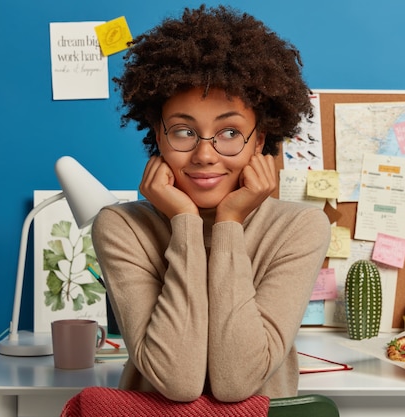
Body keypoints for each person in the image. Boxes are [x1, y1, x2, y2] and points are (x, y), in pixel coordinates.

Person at [92, 4, 331, 404]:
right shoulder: (122, 227)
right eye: (184, 131)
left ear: (259, 140)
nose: (205, 154)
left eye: (230, 132)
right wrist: (184, 221)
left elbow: (237, 380)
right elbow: (178, 380)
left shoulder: (300, 227)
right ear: (158, 135)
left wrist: (229, 222)